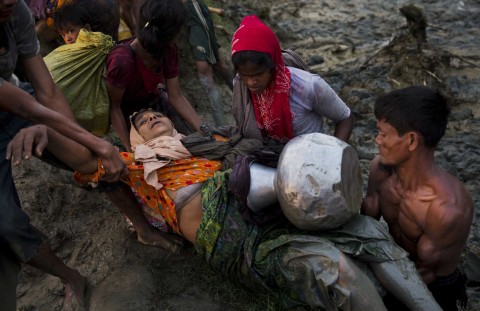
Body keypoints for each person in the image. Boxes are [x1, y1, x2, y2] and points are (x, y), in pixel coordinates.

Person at [11, 107, 446, 310]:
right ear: (135, 142)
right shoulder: (132, 165)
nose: (149, 120)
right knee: (336, 268)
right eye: (140, 122)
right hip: (231, 233)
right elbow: (88, 160)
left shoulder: (218, 141)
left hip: (281, 205)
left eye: (155, 114)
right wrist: (44, 128)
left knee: (369, 235)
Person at [0, 1, 128, 310]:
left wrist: (86, 146)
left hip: (19, 100)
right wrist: (96, 143)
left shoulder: (14, 12)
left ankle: (145, 227)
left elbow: (47, 93)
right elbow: (24, 107)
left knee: (89, 161)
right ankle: (70, 276)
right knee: (7, 226)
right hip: (16, 104)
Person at [361, 86, 474, 311]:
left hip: (431, 288)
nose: (377, 141)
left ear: (412, 141)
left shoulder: (446, 210)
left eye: (384, 134)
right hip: (391, 264)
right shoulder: (380, 172)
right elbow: (365, 224)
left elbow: (423, 276)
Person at [231, 15, 355, 144]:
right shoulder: (240, 85)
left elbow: (345, 118)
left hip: (308, 159)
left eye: (258, 74)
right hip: (264, 157)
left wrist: (333, 155)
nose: (251, 82)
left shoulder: (308, 86)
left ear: (273, 65)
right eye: (245, 75)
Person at [106, 0, 204, 152]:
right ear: (171, 34)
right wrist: (130, 148)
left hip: (155, 101)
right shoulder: (122, 61)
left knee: (188, 141)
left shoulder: (168, 50)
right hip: (129, 115)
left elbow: (176, 96)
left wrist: (204, 129)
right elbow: (114, 108)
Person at [182, 0, 234, 127]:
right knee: (217, 66)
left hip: (193, 12)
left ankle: (222, 125)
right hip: (188, 13)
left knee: (209, 69)